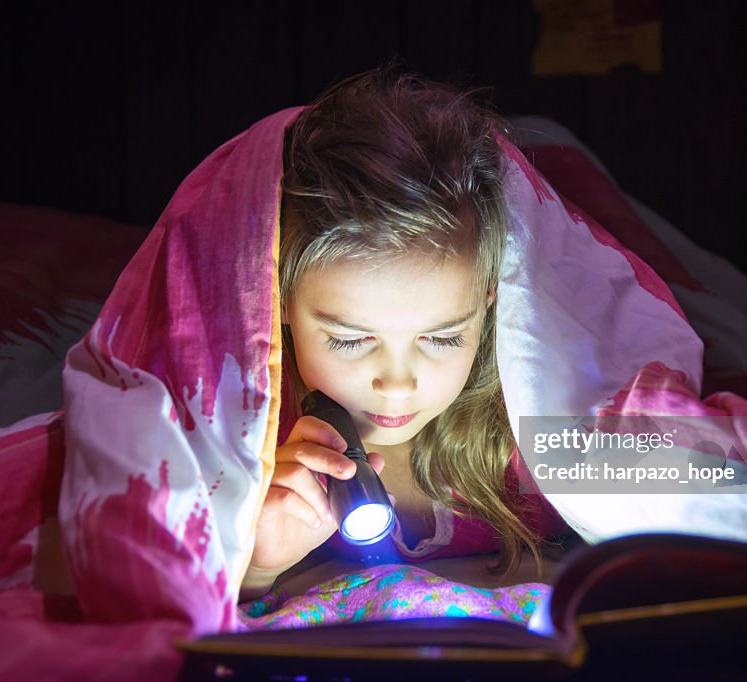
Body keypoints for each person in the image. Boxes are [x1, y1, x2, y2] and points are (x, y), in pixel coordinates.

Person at [240, 69, 569, 598]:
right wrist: (257, 567)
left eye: (441, 338)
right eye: (349, 340)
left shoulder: (535, 432)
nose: (396, 386)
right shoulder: (246, 441)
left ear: (489, 300)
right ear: (279, 301)